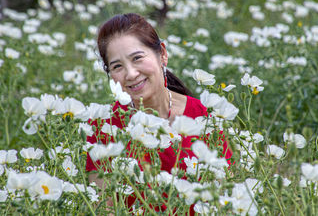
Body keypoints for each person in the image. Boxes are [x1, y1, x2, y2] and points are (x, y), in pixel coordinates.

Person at [86, 13, 231, 214]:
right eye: (117, 66)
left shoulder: (203, 117)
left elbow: (222, 198)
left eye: (137, 58)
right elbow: (103, 207)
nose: (131, 74)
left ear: (162, 54)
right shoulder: (104, 127)